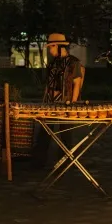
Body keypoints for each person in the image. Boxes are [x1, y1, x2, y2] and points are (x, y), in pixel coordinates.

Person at [32, 32, 85, 166]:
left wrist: (72, 104)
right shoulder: (53, 63)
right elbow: (48, 85)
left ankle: (64, 163)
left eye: (51, 47)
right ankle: (38, 162)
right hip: (50, 102)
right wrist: (44, 101)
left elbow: (77, 84)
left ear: (58, 46)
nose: (50, 50)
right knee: (45, 131)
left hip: (66, 103)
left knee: (65, 134)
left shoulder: (73, 62)